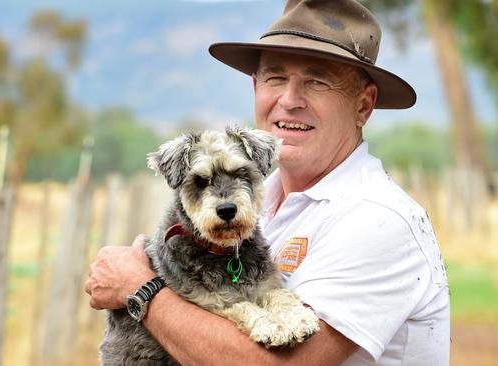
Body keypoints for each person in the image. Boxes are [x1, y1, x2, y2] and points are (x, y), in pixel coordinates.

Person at [84, 0, 450, 365]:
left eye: (317, 81)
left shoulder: (375, 219)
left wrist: (141, 290)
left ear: (363, 106)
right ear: (255, 86)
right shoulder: (265, 202)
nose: (289, 101)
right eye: (275, 77)